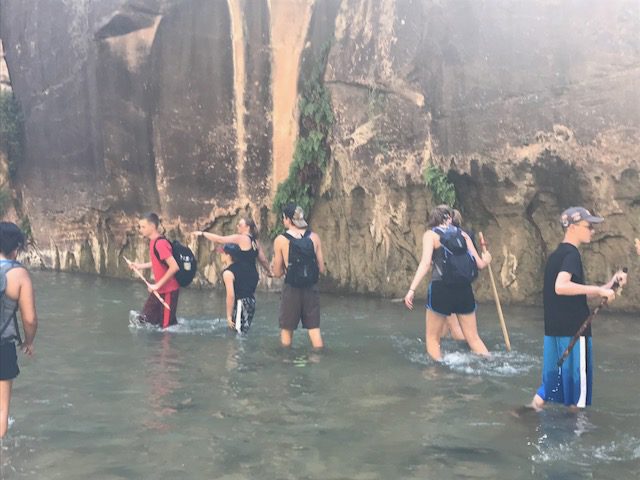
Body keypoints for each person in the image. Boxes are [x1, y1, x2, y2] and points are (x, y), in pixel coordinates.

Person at [529, 207, 626, 411]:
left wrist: (610, 285)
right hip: (574, 333)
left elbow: (575, 291)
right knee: (577, 397)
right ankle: (576, 436)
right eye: (589, 226)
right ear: (572, 227)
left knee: (552, 383)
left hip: (554, 332)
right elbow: (561, 286)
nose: (593, 231)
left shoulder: (557, 255)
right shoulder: (572, 255)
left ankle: (530, 412)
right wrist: (599, 290)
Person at [404, 205, 492, 361]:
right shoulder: (463, 235)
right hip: (464, 290)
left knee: (432, 338)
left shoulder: (430, 235)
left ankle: (436, 374)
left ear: (434, 218)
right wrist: (487, 259)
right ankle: (491, 362)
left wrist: (412, 289)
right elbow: (480, 264)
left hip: (441, 289)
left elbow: (425, 264)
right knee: (474, 338)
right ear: (450, 218)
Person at [0, 222, 38, 438]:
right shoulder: (19, 274)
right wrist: (28, 341)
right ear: (15, 248)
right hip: (3, 347)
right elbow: (30, 318)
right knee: (2, 410)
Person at [272, 204, 325, 348]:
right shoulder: (314, 237)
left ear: (289, 220)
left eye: (284, 218)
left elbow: (277, 273)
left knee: (287, 330)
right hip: (311, 288)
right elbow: (321, 268)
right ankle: (319, 359)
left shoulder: (281, 240)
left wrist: (284, 269)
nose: (283, 221)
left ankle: (286, 361)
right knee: (314, 330)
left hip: (291, 289)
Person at [129, 213, 180, 329]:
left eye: (143, 227)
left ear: (152, 227)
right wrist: (139, 266)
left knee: (166, 328)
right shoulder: (153, 242)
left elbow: (174, 267)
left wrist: (157, 285)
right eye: (140, 227)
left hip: (168, 291)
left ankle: (167, 346)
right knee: (144, 319)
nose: (140, 230)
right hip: (159, 290)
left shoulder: (160, 243)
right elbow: (158, 261)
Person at [192, 218, 272, 277]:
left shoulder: (241, 238)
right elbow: (263, 260)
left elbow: (219, 239)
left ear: (247, 228)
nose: (237, 226)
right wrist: (269, 271)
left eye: (240, 225)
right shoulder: (255, 242)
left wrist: (202, 233)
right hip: (253, 275)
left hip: (242, 274)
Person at [220, 243, 258, 333]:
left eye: (222, 253)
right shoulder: (247, 267)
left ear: (228, 255)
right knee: (243, 330)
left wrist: (228, 316)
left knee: (238, 332)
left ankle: (235, 348)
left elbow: (230, 295)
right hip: (251, 301)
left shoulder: (228, 273)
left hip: (241, 303)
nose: (220, 255)